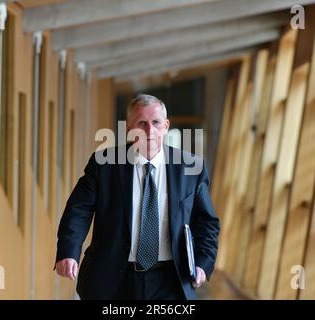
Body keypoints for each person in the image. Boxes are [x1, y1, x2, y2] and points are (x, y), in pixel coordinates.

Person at [55, 94, 220, 300]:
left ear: (166, 126)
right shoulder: (104, 164)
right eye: (142, 123)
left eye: (156, 123)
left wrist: (203, 262)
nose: (150, 131)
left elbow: (206, 221)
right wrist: (68, 252)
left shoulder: (190, 167)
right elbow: (77, 211)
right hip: (114, 279)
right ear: (129, 129)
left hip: (171, 280)